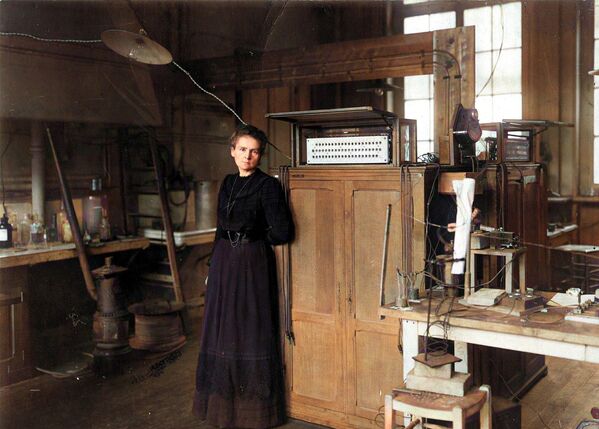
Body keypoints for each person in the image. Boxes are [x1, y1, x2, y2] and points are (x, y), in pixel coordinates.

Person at [193, 124, 294, 428]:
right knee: (222, 329)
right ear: (232, 151)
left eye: (254, 151)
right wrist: (213, 268)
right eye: (242, 149)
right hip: (224, 261)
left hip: (252, 262)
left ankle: (252, 415)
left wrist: (252, 234)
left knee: (249, 330)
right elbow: (220, 229)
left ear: (260, 155)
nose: (248, 156)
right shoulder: (226, 183)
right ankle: (223, 411)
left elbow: (282, 232)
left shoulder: (268, 186)